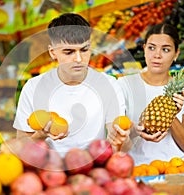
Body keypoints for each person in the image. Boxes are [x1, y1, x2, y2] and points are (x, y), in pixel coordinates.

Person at [13, 13, 128, 157]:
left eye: (84, 50)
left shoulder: (109, 85)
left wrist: (121, 138)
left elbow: (118, 137)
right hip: (49, 170)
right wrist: (41, 135)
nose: (78, 59)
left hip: (94, 169)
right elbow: (20, 145)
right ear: (53, 52)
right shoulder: (33, 87)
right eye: (69, 52)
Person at [116, 23, 184, 165]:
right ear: (144, 49)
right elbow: (116, 140)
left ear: (176, 54)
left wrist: (170, 114)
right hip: (135, 167)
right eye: (151, 47)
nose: (157, 55)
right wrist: (136, 131)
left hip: (174, 168)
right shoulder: (124, 85)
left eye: (166, 49)